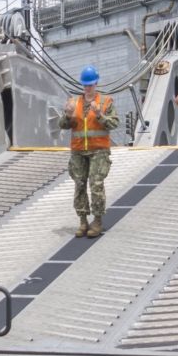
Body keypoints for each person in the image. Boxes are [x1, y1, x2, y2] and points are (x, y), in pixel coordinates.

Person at [57, 65, 119, 238]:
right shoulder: (73, 102)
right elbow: (62, 125)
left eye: (90, 84)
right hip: (78, 151)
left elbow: (114, 124)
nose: (88, 88)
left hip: (99, 150)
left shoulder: (106, 102)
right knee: (79, 185)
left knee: (96, 184)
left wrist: (99, 114)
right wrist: (67, 116)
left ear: (96, 83)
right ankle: (83, 221)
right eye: (85, 85)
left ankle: (97, 221)